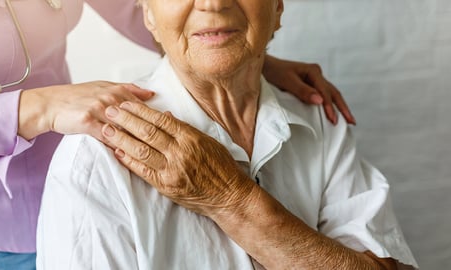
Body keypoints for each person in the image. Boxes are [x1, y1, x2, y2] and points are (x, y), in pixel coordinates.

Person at [36, 0, 418, 269]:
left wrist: (231, 199)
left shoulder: (318, 121)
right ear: (148, 15)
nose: (213, 3)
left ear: (279, 7)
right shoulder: (95, 156)